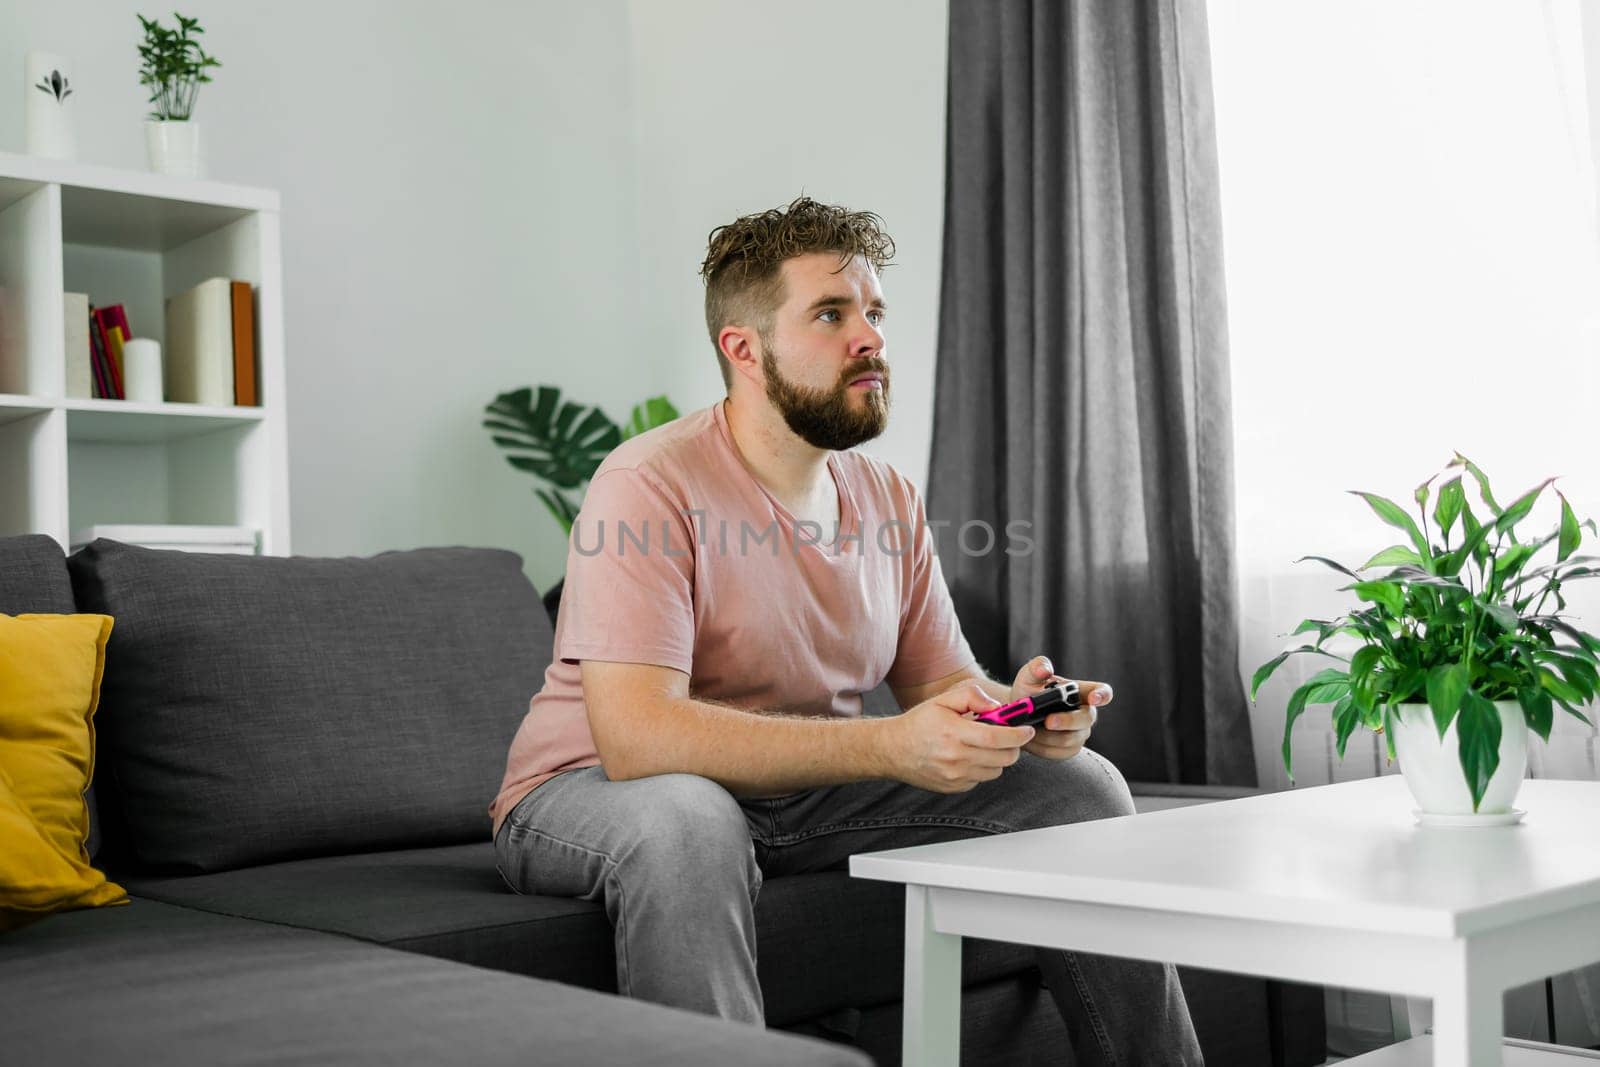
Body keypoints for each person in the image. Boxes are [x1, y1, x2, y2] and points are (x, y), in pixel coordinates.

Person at [490, 196, 1202, 1064]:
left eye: (874, 312)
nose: (868, 336)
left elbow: (941, 684)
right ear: (743, 350)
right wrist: (887, 748)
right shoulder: (649, 483)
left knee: (1081, 789)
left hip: (790, 797)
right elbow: (638, 738)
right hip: (592, 788)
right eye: (831, 314)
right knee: (688, 817)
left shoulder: (887, 496)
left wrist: (1015, 711)